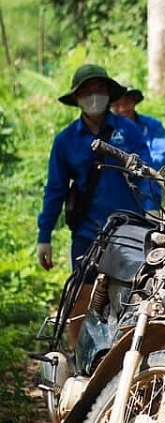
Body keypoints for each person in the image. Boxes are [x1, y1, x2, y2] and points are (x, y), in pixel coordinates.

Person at [37, 64, 155, 342]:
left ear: (109, 93)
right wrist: (45, 236)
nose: (93, 96)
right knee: (83, 297)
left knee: (131, 297)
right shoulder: (65, 140)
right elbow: (55, 189)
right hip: (89, 231)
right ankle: (79, 362)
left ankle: (126, 363)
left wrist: (151, 208)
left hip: (130, 229)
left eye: (99, 90)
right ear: (76, 97)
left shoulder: (129, 132)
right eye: (86, 91)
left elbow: (146, 172)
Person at [111, 85, 165, 172]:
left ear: (134, 102)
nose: (122, 108)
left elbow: (160, 159)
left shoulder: (153, 125)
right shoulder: (106, 128)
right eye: (117, 104)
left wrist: (139, 165)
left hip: (148, 179)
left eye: (126, 103)